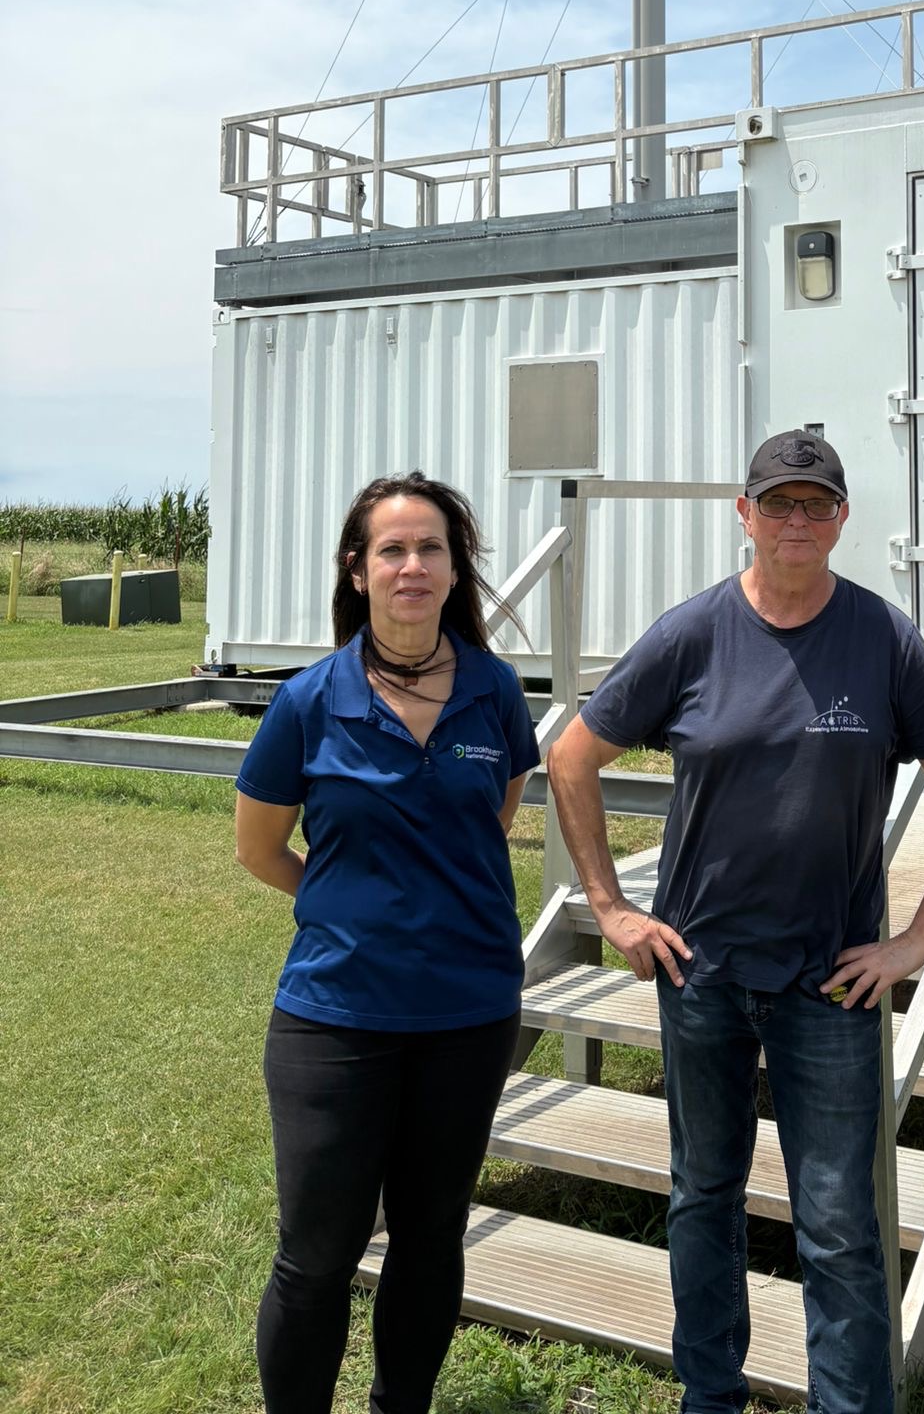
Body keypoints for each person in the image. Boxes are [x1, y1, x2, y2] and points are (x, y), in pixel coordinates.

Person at [548, 429, 924, 1414]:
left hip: (828, 982)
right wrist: (613, 908)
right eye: (778, 502)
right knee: (701, 1197)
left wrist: (917, 941)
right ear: (744, 514)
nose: (797, 520)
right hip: (701, 974)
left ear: (841, 518)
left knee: (839, 1223)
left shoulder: (883, 637)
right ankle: (709, 1395)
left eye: (817, 504)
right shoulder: (692, 633)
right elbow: (571, 757)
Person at [234, 471, 539, 1414]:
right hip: (336, 1017)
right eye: (392, 550)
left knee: (431, 1233)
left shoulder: (493, 693)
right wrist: (342, 913)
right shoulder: (308, 701)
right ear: (357, 571)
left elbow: (493, 819)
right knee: (317, 1252)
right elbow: (259, 848)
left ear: (457, 571)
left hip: (468, 1014)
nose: (413, 565)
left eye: (432, 549)